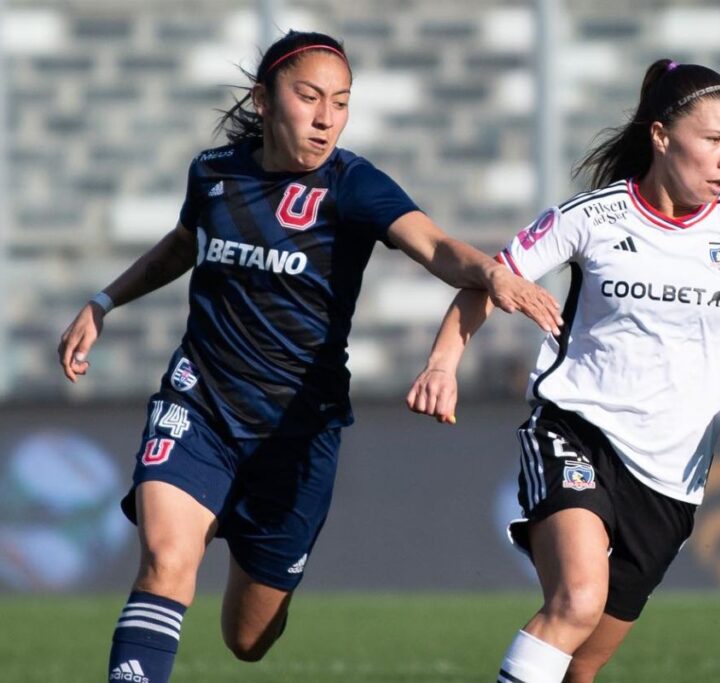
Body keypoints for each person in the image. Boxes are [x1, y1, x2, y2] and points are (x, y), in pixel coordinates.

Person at [56, 30, 562, 683]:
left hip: (297, 433)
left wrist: (491, 275)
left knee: (249, 636)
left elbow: (436, 247)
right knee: (166, 560)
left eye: (342, 102)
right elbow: (184, 242)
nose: (326, 117)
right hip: (200, 402)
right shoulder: (215, 173)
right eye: (310, 97)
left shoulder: (352, 185)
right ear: (263, 101)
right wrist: (103, 300)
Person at [407, 61, 720, 683]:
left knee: (580, 666)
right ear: (661, 136)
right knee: (577, 601)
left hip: (673, 476)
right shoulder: (592, 217)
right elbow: (493, 279)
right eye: (713, 139)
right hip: (578, 430)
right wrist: (443, 363)